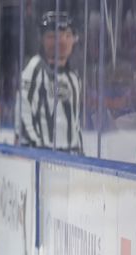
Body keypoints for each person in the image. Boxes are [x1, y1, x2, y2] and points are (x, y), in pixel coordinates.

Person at [17, 11, 83, 154]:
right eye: (53, 36)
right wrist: (39, 153)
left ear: (74, 39)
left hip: (72, 159)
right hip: (43, 158)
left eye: (67, 35)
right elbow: (23, 116)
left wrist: (80, 152)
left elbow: (76, 122)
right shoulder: (34, 70)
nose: (62, 41)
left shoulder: (74, 76)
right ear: (42, 39)